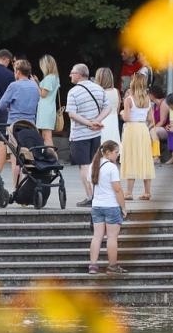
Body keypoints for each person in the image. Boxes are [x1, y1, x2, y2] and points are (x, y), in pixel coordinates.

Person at [65, 63, 106, 204]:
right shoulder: (99, 88)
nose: (70, 75)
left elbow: (71, 114)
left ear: (79, 74)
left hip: (80, 135)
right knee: (95, 165)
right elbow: (108, 107)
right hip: (96, 134)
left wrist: (89, 123)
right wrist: (97, 121)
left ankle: (90, 196)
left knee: (84, 165)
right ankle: (97, 194)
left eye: (72, 72)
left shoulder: (73, 92)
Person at [87, 141, 127, 274]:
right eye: (116, 152)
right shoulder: (111, 167)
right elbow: (117, 189)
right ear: (108, 152)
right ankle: (112, 266)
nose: (117, 155)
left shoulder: (93, 165)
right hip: (111, 206)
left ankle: (93, 265)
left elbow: (90, 186)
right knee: (111, 237)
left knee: (97, 236)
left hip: (96, 206)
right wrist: (123, 207)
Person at [119, 71, 155, 201]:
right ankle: (147, 192)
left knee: (131, 158)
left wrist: (122, 113)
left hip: (131, 129)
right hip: (143, 129)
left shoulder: (129, 99)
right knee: (145, 158)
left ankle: (128, 192)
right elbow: (151, 119)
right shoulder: (147, 99)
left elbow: (127, 117)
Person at [35, 55, 61, 146]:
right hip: (49, 108)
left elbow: (43, 95)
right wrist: (38, 82)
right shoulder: (55, 77)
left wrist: (35, 84)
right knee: (45, 135)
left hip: (45, 109)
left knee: (47, 136)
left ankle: (53, 158)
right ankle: (48, 157)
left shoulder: (49, 78)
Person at [95, 68, 122, 146]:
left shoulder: (99, 92)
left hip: (102, 123)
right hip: (113, 122)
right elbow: (117, 110)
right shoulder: (116, 91)